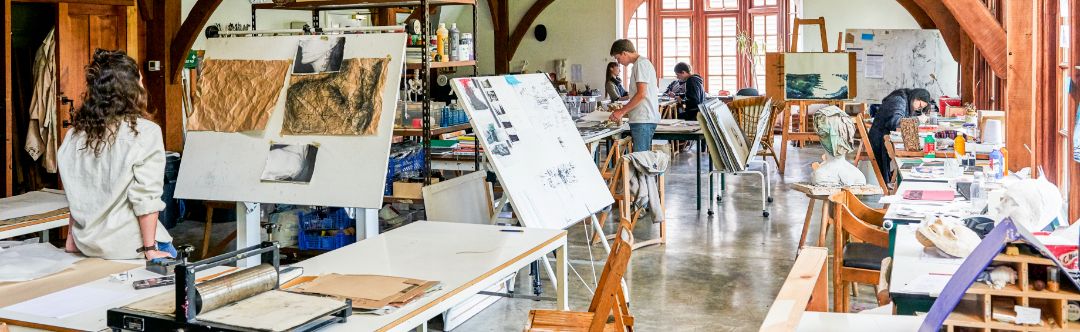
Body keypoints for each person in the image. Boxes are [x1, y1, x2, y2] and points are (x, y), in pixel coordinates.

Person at [57, 49, 176, 261]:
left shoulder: (74, 135)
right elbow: (146, 198)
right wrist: (149, 249)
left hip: (87, 244)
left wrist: (71, 240)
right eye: (139, 79)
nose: (142, 84)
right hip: (130, 246)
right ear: (131, 89)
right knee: (185, 283)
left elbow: (77, 194)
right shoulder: (145, 132)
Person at [868, 88, 935, 180]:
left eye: (921, 108)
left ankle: (897, 180)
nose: (918, 108)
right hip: (879, 140)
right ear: (915, 97)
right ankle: (897, 180)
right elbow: (896, 123)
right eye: (919, 105)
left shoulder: (905, 100)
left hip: (885, 136)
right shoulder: (899, 100)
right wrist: (917, 120)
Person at [608, 39, 660, 152]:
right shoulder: (640, 64)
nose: (619, 61)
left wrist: (621, 111)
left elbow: (641, 94)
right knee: (643, 158)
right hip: (642, 118)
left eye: (618, 58)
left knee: (642, 159)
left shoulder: (641, 64)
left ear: (624, 53)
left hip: (643, 119)